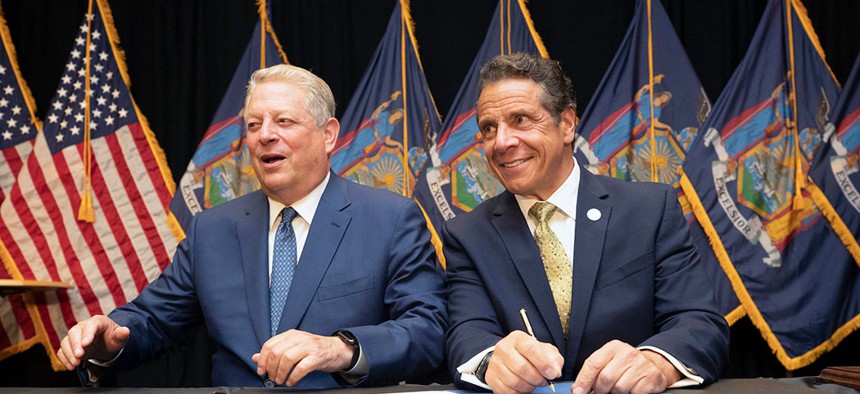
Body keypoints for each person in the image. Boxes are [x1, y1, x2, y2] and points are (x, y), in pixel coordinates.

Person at [57, 64, 448, 389]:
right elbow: (154, 321)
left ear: (328, 135)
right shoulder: (212, 229)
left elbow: (427, 330)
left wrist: (341, 349)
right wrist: (107, 340)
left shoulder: (390, 218)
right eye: (254, 124)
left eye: (283, 121)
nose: (265, 135)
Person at [443, 53, 729, 394]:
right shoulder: (467, 234)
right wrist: (492, 361)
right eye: (489, 128)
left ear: (566, 124)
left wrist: (657, 363)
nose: (501, 142)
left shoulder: (651, 210)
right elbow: (466, 332)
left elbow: (699, 322)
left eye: (520, 119)